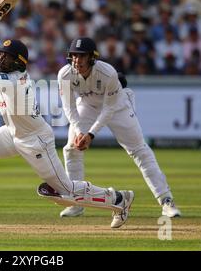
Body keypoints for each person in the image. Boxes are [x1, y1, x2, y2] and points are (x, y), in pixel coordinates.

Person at [0, 24, 135, 229]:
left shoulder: (14, 81)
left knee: (66, 191)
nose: (2, 59)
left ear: (18, 63)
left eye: (7, 56)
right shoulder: (6, 78)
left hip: (35, 140)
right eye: (1, 55)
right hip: (13, 133)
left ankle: (118, 199)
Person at [58, 37, 181, 218]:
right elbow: (69, 107)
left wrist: (90, 134)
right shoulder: (65, 74)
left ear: (92, 57)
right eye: (74, 56)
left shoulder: (108, 73)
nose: (78, 60)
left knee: (139, 149)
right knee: (71, 149)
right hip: (88, 105)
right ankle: (77, 202)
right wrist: (79, 131)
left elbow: (109, 109)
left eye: (82, 56)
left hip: (117, 107)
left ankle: (166, 201)